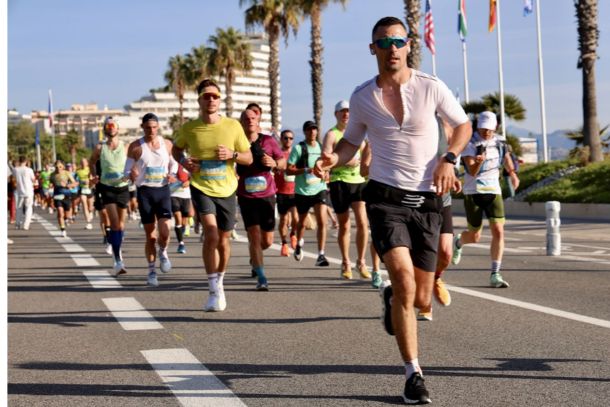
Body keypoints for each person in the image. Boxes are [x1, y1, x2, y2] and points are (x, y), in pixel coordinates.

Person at [315, 16, 472, 404]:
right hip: (385, 198)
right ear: (374, 49)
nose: (392, 49)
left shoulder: (431, 87)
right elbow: (351, 143)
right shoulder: (362, 96)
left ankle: (392, 302)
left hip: (429, 200)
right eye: (384, 43)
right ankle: (413, 373)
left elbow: (463, 126)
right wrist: (333, 158)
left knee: (420, 300)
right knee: (402, 279)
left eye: (398, 41)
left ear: (408, 46)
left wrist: (449, 158)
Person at [172, 78, 253, 312]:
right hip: (201, 186)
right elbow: (176, 150)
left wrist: (232, 154)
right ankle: (212, 289)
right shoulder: (189, 128)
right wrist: (185, 162)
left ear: (220, 100)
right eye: (207, 96)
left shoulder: (232, 126)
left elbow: (248, 158)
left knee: (224, 240)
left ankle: (220, 281)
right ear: (199, 99)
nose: (211, 100)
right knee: (210, 232)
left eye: (215, 96)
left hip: (227, 189)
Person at [452, 111, 520, 288]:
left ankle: (495, 273)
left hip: (493, 190)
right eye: (483, 129)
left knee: (498, 230)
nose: (486, 132)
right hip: (473, 191)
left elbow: (506, 158)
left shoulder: (500, 141)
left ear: (495, 127)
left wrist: (512, 174)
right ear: (478, 126)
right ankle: (459, 242)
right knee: (474, 237)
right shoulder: (469, 142)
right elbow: (472, 171)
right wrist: (479, 161)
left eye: (489, 129)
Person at [322, 100, 371, 281]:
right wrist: (343, 160)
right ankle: (345, 262)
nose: (346, 114)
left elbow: (367, 151)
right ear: (336, 114)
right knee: (344, 225)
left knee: (363, 223)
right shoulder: (331, 134)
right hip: (339, 181)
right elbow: (325, 155)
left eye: (349, 111)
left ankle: (361, 261)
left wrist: (366, 163)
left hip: (358, 181)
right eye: (342, 112)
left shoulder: (360, 134)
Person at [238, 108, 286, 290]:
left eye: (253, 117)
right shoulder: (238, 141)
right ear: (241, 122)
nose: (250, 120)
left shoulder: (268, 140)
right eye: (246, 118)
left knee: (266, 241)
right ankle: (261, 277)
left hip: (267, 196)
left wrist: (274, 164)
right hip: (246, 196)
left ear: (258, 120)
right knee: (254, 236)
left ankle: (254, 256)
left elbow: (282, 161)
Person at [125, 113, 175, 287]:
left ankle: (164, 251)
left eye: (154, 127)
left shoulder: (167, 144)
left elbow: (173, 163)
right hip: (145, 192)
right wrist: (130, 174)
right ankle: (152, 271)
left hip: (162, 191)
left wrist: (172, 174)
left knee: (165, 231)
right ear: (142, 127)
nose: (151, 130)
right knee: (150, 236)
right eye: (147, 127)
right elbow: (126, 171)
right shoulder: (135, 146)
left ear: (158, 127)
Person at [286, 121, 330, 267]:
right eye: (309, 130)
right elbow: (288, 169)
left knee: (323, 221)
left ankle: (321, 254)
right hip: (303, 191)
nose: (312, 132)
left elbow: (327, 165)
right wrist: (305, 170)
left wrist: (326, 174)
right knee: (302, 222)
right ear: (305, 132)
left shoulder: (321, 147)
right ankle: (298, 243)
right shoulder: (299, 148)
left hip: (319, 188)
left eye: (314, 130)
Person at [90, 116, 130, 276]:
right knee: (114, 223)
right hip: (107, 187)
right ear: (105, 129)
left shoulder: (125, 146)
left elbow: (135, 161)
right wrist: (94, 176)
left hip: (123, 187)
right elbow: (92, 161)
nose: (111, 127)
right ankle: (117, 260)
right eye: (108, 125)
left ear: (118, 129)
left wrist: (132, 172)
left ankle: (116, 247)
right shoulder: (100, 148)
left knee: (121, 225)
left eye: (113, 125)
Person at [359, 140, 384, 289]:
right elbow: (363, 170)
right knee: (378, 234)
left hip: (400, 193)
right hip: (377, 193)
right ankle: (376, 270)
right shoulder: (372, 143)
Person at [274, 129, 299, 256]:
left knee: (296, 218)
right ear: (281, 139)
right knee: (283, 220)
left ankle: (293, 234)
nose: (288, 140)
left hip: (295, 191)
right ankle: (284, 243)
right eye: (285, 138)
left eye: (290, 138)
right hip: (281, 191)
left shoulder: (297, 153)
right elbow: (272, 168)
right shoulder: (278, 154)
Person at [50, 160, 77, 237]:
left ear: (63, 167)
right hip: (57, 196)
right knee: (60, 212)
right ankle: (63, 229)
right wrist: (50, 187)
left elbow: (75, 183)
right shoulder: (52, 175)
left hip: (67, 195)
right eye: (56, 167)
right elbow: (51, 184)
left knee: (67, 215)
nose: (58, 168)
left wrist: (67, 186)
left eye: (60, 166)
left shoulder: (67, 173)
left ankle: (66, 219)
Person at [170, 162, 192, 255]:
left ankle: (181, 231)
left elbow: (194, 176)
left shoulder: (188, 162)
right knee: (177, 217)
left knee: (184, 220)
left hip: (186, 195)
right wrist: (169, 178)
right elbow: (166, 174)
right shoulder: (171, 162)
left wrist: (189, 182)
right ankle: (181, 243)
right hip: (173, 194)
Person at [12, 156, 35, 230]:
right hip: (29, 191)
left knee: (18, 208)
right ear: (26, 161)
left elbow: (14, 178)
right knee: (28, 207)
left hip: (19, 191)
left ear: (19, 161)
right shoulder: (29, 170)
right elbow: (33, 179)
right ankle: (26, 224)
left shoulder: (15, 170)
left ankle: (17, 224)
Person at [75, 158, 94, 230]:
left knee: (90, 207)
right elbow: (75, 180)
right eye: (81, 162)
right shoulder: (78, 171)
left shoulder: (90, 169)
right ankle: (88, 223)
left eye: (84, 162)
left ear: (87, 163)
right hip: (82, 190)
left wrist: (89, 181)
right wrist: (79, 183)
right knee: (84, 205)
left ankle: (91, 212)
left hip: (90, 189)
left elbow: (93, 178)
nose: (83, 163)